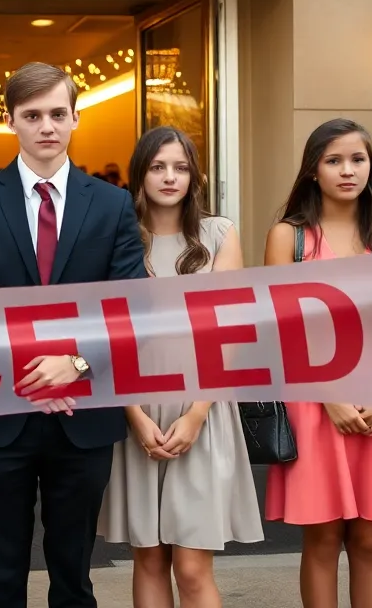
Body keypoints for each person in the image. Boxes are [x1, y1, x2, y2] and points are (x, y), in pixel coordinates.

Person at [0, 61, 148, 608]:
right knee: (2, 576)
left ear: (76, 118)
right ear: (11, 121)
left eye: (58, 113)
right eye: (32, 115)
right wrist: (35, 374)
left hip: (85, 415)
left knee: (74, 578)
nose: (46, 126)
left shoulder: (112, 204)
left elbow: (130, 308)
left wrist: (76, 365)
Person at [98, 126, 263, 608]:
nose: (170, 177)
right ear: (140, 173)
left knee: (192, 565)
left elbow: (233, 333)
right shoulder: (118, 233)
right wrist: (133, 414)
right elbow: (107, 333)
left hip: (203, 407)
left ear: (195, 175)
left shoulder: (219, 233)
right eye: (157, 166)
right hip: (137, 406)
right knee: (148, 558)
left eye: (181, 167)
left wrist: (196, 414)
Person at [264, 118, 372, 608]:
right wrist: (328, 397)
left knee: (371, 542)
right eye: (334, 160)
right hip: (316, 406)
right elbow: (281, 329)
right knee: (322, 541)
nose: (347, 170)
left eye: (357, 159)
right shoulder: (288, 237)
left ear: (371, 166)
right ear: (313, 170)